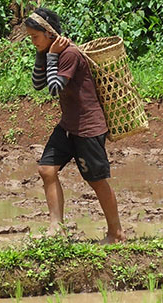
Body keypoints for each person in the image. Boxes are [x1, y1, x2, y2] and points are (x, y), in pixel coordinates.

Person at [25, 8, 126, 243]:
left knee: (96, 181)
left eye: (35, 37)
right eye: (30, 38)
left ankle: (116, 233)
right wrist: (43, 54)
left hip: (88, 127)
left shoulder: (69, 54)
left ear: (49, 33)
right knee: (46, 170)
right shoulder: (51, 51)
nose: (32, 42)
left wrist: (51, 56)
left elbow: (54, 88)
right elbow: (37, 84)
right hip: (69, 125)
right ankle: (56, 228)